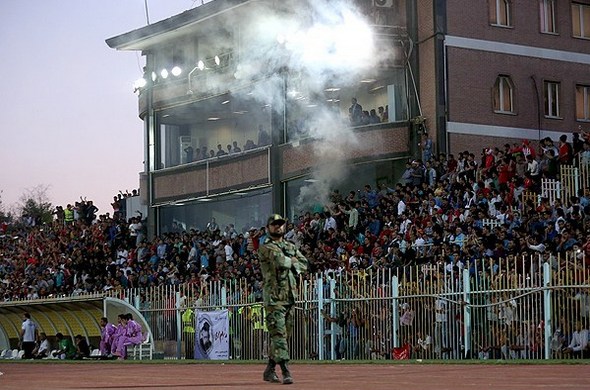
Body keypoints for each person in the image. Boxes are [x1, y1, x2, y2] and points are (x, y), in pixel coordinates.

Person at [259, 214, 309, 384]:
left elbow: (304, 263)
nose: (278, 227)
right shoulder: (265, 246)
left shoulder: (289, 245)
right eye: (274, 224)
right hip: (274, 299)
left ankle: (270, 369)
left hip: (289, 297)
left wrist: (293, 262)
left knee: (284, 336)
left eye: (280, 224)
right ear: (268, 227)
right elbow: (279, 261)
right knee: (279, 334)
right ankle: (286, 370)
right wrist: (292, 261)